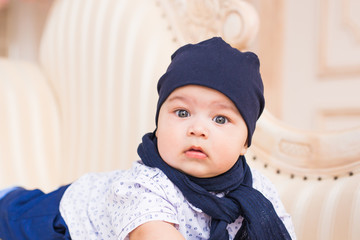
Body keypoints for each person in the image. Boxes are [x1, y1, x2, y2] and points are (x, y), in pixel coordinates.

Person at [0, 37, 296, 240]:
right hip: (54, 223)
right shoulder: (144, 185)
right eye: (181, 112)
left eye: (220, 119)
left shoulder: (257, 192)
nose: (197, 129)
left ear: (246, 142)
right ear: (158, 124)